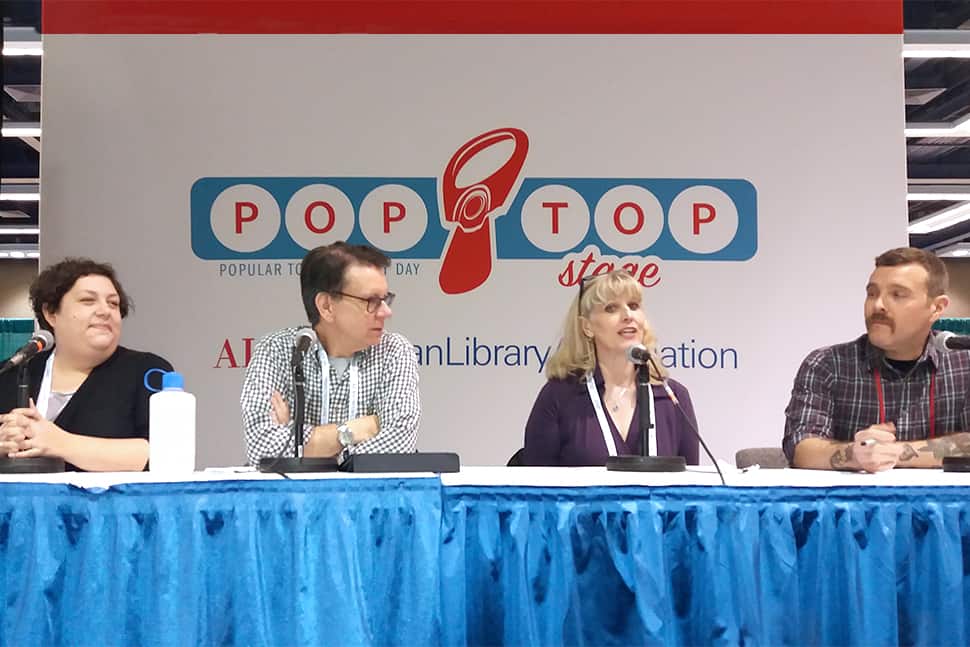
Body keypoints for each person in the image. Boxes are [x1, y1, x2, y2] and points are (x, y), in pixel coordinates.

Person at [784, 247, 970, 472]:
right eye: (872, 293)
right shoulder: (827, 365)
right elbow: (801, 448)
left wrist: (895, 452)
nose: (878, 305)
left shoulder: (964, 364)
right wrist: (855, 454)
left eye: (897, 295)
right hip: (857, 506)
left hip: (947, 506)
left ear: (937, 308)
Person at [241, 242, 420, 465]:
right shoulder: (276, 351)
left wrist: (301, 445)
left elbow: (399, 445)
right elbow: (262, 448)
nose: (386, 311)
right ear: (326, 306)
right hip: (290, 499)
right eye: (372, 301)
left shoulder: (394, 351)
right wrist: (352, 432)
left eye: (385, 299)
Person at [0, 258, 173, 471]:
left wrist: (59, 442)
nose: (105, 311)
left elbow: (164, 453)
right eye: (88, 301)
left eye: (113, 303)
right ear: (51, 313)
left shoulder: (147, 371)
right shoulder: (13, 372)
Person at [523, 269, 699, 466]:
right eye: (611, 308)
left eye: (633, 306)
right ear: (587, 327)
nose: (627, 315)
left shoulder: (673, 397)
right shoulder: (559, 396)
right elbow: (536, 489)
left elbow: (690, 490)